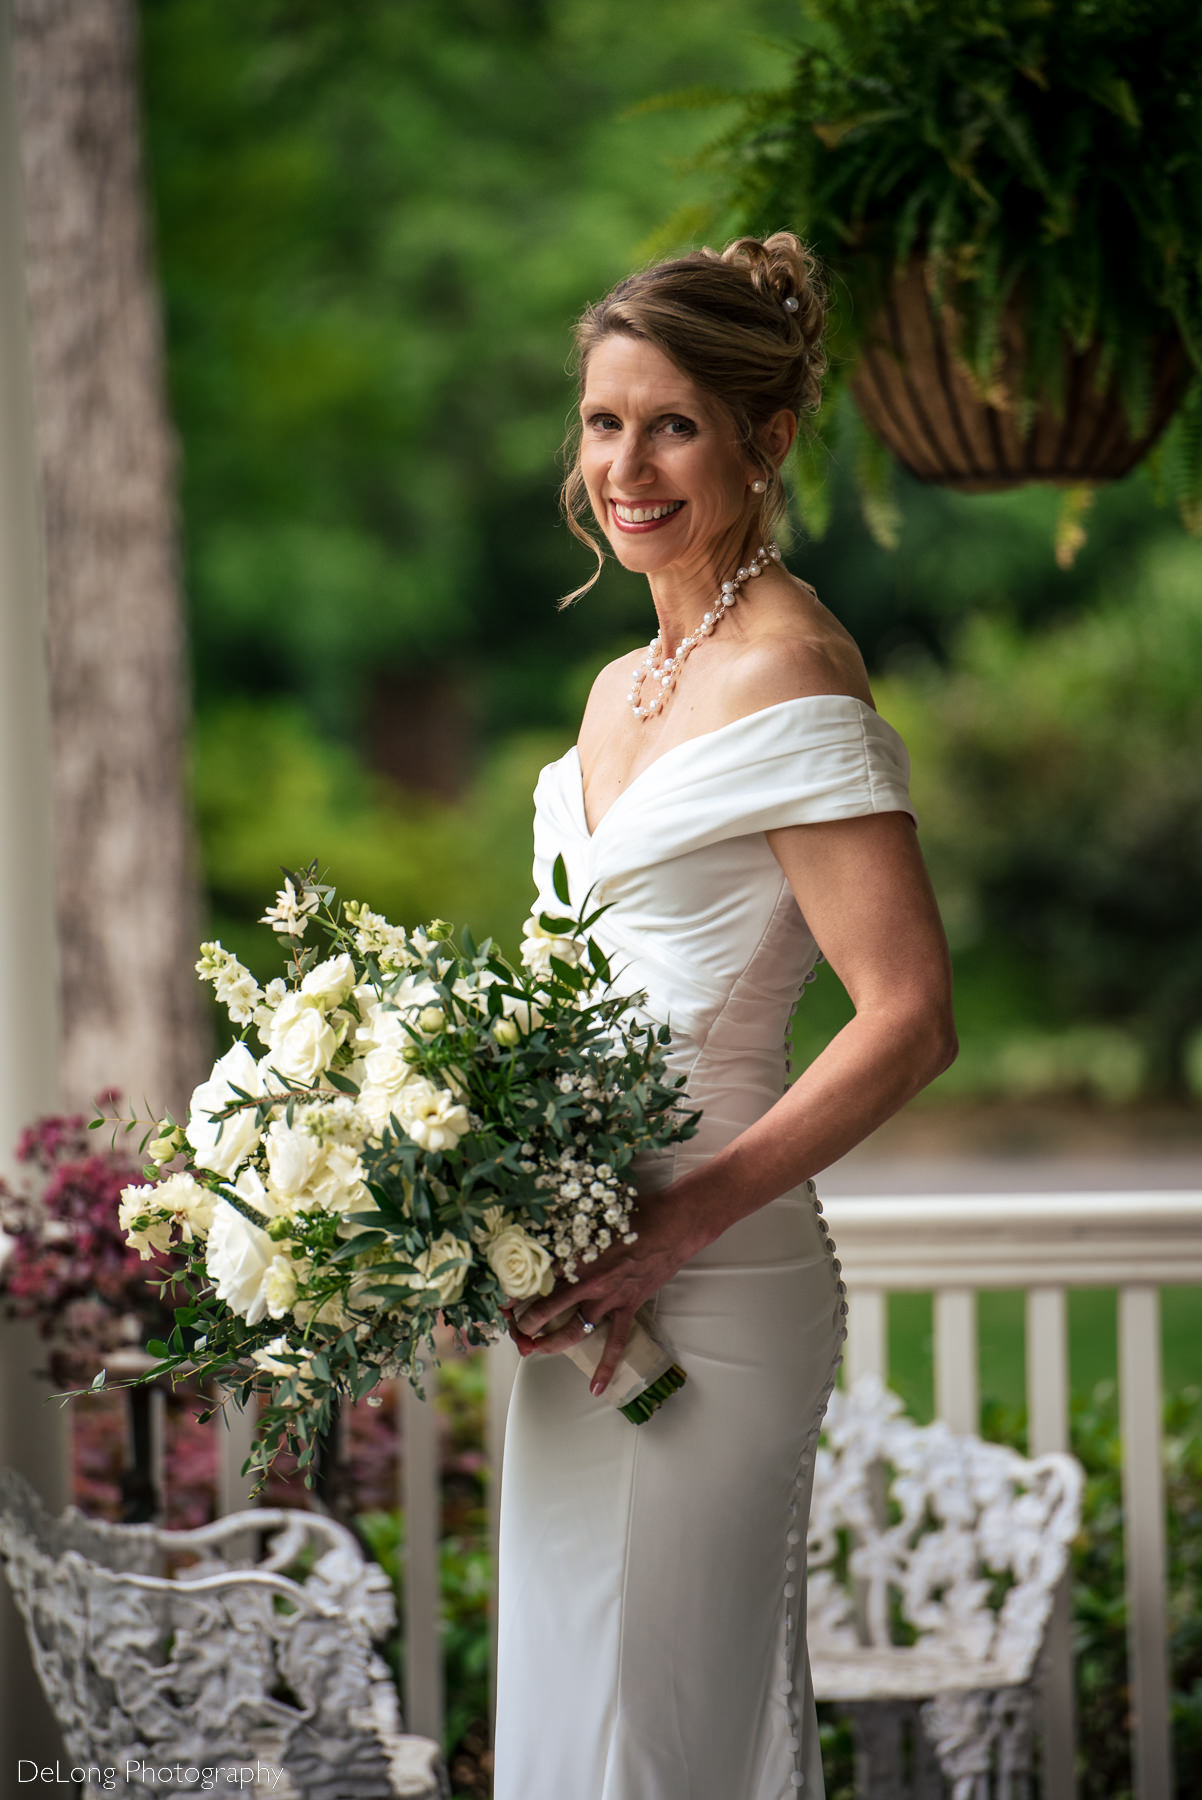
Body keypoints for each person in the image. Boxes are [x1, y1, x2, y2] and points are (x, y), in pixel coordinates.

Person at [493, 232, 956, 1800]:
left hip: (709, 1271)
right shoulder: (616, 687)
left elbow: (906, 1016)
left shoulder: (788, 673)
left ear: (763, 438)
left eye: (672, 423)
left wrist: (676, 1220)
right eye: (603, 421)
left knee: (667, 1734)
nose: (625, 465)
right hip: (576, 1278)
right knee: (575, 1700)